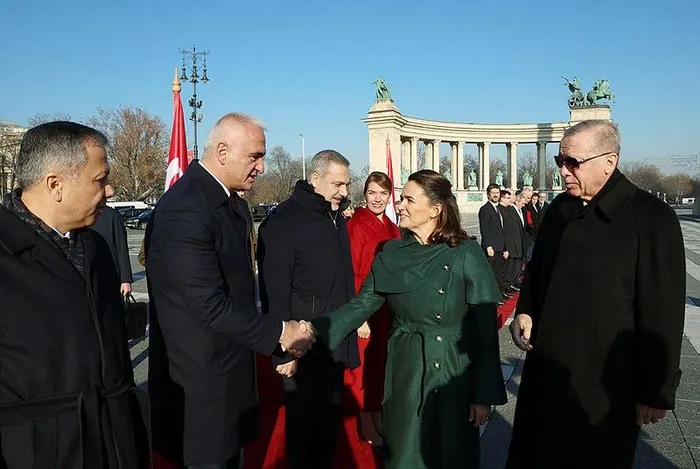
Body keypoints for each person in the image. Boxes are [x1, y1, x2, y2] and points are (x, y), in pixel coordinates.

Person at [507, 120, 686, 468]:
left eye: (573, 162)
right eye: (560, 160)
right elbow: (537, 272)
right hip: (546, 374)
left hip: (606, 387)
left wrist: (655, 391)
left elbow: (663, 312)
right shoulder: (559, 210)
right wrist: (524, 310)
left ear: (609, 162)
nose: (563, 170)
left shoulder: (651, 217)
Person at [145, 113, 315, 469]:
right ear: (222, 152)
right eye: (255, 156)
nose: (262, 167)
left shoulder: (228, 202)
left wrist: (275, 341)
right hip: (199, 392)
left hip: (228, 380)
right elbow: (209, 306)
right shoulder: (185, 208)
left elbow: (240, 292)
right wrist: (282, 333)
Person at [312, 169, 507, 469]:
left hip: (452, 371)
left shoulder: (466, 253)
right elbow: (361, 305)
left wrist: (482, 395)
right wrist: (312, 331)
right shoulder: (392, 253)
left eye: (408, 200)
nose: (399, 205)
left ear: (435, 209)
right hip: (405, 369)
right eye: (401, 198)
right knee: (404, 453)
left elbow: (484, 330)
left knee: (449, 454)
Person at [0, 121, 149, 468]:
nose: (110, 190)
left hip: (113, 441)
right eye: (100, 179)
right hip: (39, 451)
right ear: (55, 185)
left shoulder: (95, 247)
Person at [257, 150, 359, 469]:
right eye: (337, 184)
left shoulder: (335, 216)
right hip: (301, 346)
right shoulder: (283, 222)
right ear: (315, 180)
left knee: (328, 432)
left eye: (346, 184)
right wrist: (282, 353)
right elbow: (274, 291)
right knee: (303, 433)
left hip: (334, 341)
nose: (344, 191)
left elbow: (343, 280)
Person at [345, 171, 401, 446]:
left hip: (387, 309)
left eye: (382, 193)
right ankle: (366, 421)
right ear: (364, 194)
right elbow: (352, 274)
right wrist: (360, 317)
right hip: (367, 308)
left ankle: (378, 414)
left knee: (382, 364)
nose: (377, 198)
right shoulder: (356, 225)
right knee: (365, 368)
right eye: (372, 193)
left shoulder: (391, 226)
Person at [91, 202, 133, 295]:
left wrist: (125, 279)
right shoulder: (78, 215)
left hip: (109, 273)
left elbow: (121, 248)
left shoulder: (112, 215)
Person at [479, 183, 509, 303]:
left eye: (497, 193)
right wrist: (488, 246)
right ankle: (491, 298)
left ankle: (499, 294)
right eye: (493, 193)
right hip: (491, 248)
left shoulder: (498, 209)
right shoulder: (485, 209)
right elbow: (484, 229)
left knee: (499, 273)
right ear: (488, 195)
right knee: (491, 274)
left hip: (500, 247)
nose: (496, 195)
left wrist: (505, 248)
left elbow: (502, 229)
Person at [498, 189, 524, 292]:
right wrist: (506, 247)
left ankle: (509, 285)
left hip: (514, 243)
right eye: (508, 197)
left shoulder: (508, 209)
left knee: (513, 267)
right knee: (507, 269)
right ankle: (505, 287)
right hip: (507, 244)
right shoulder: (500, 210)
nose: (511, 198)